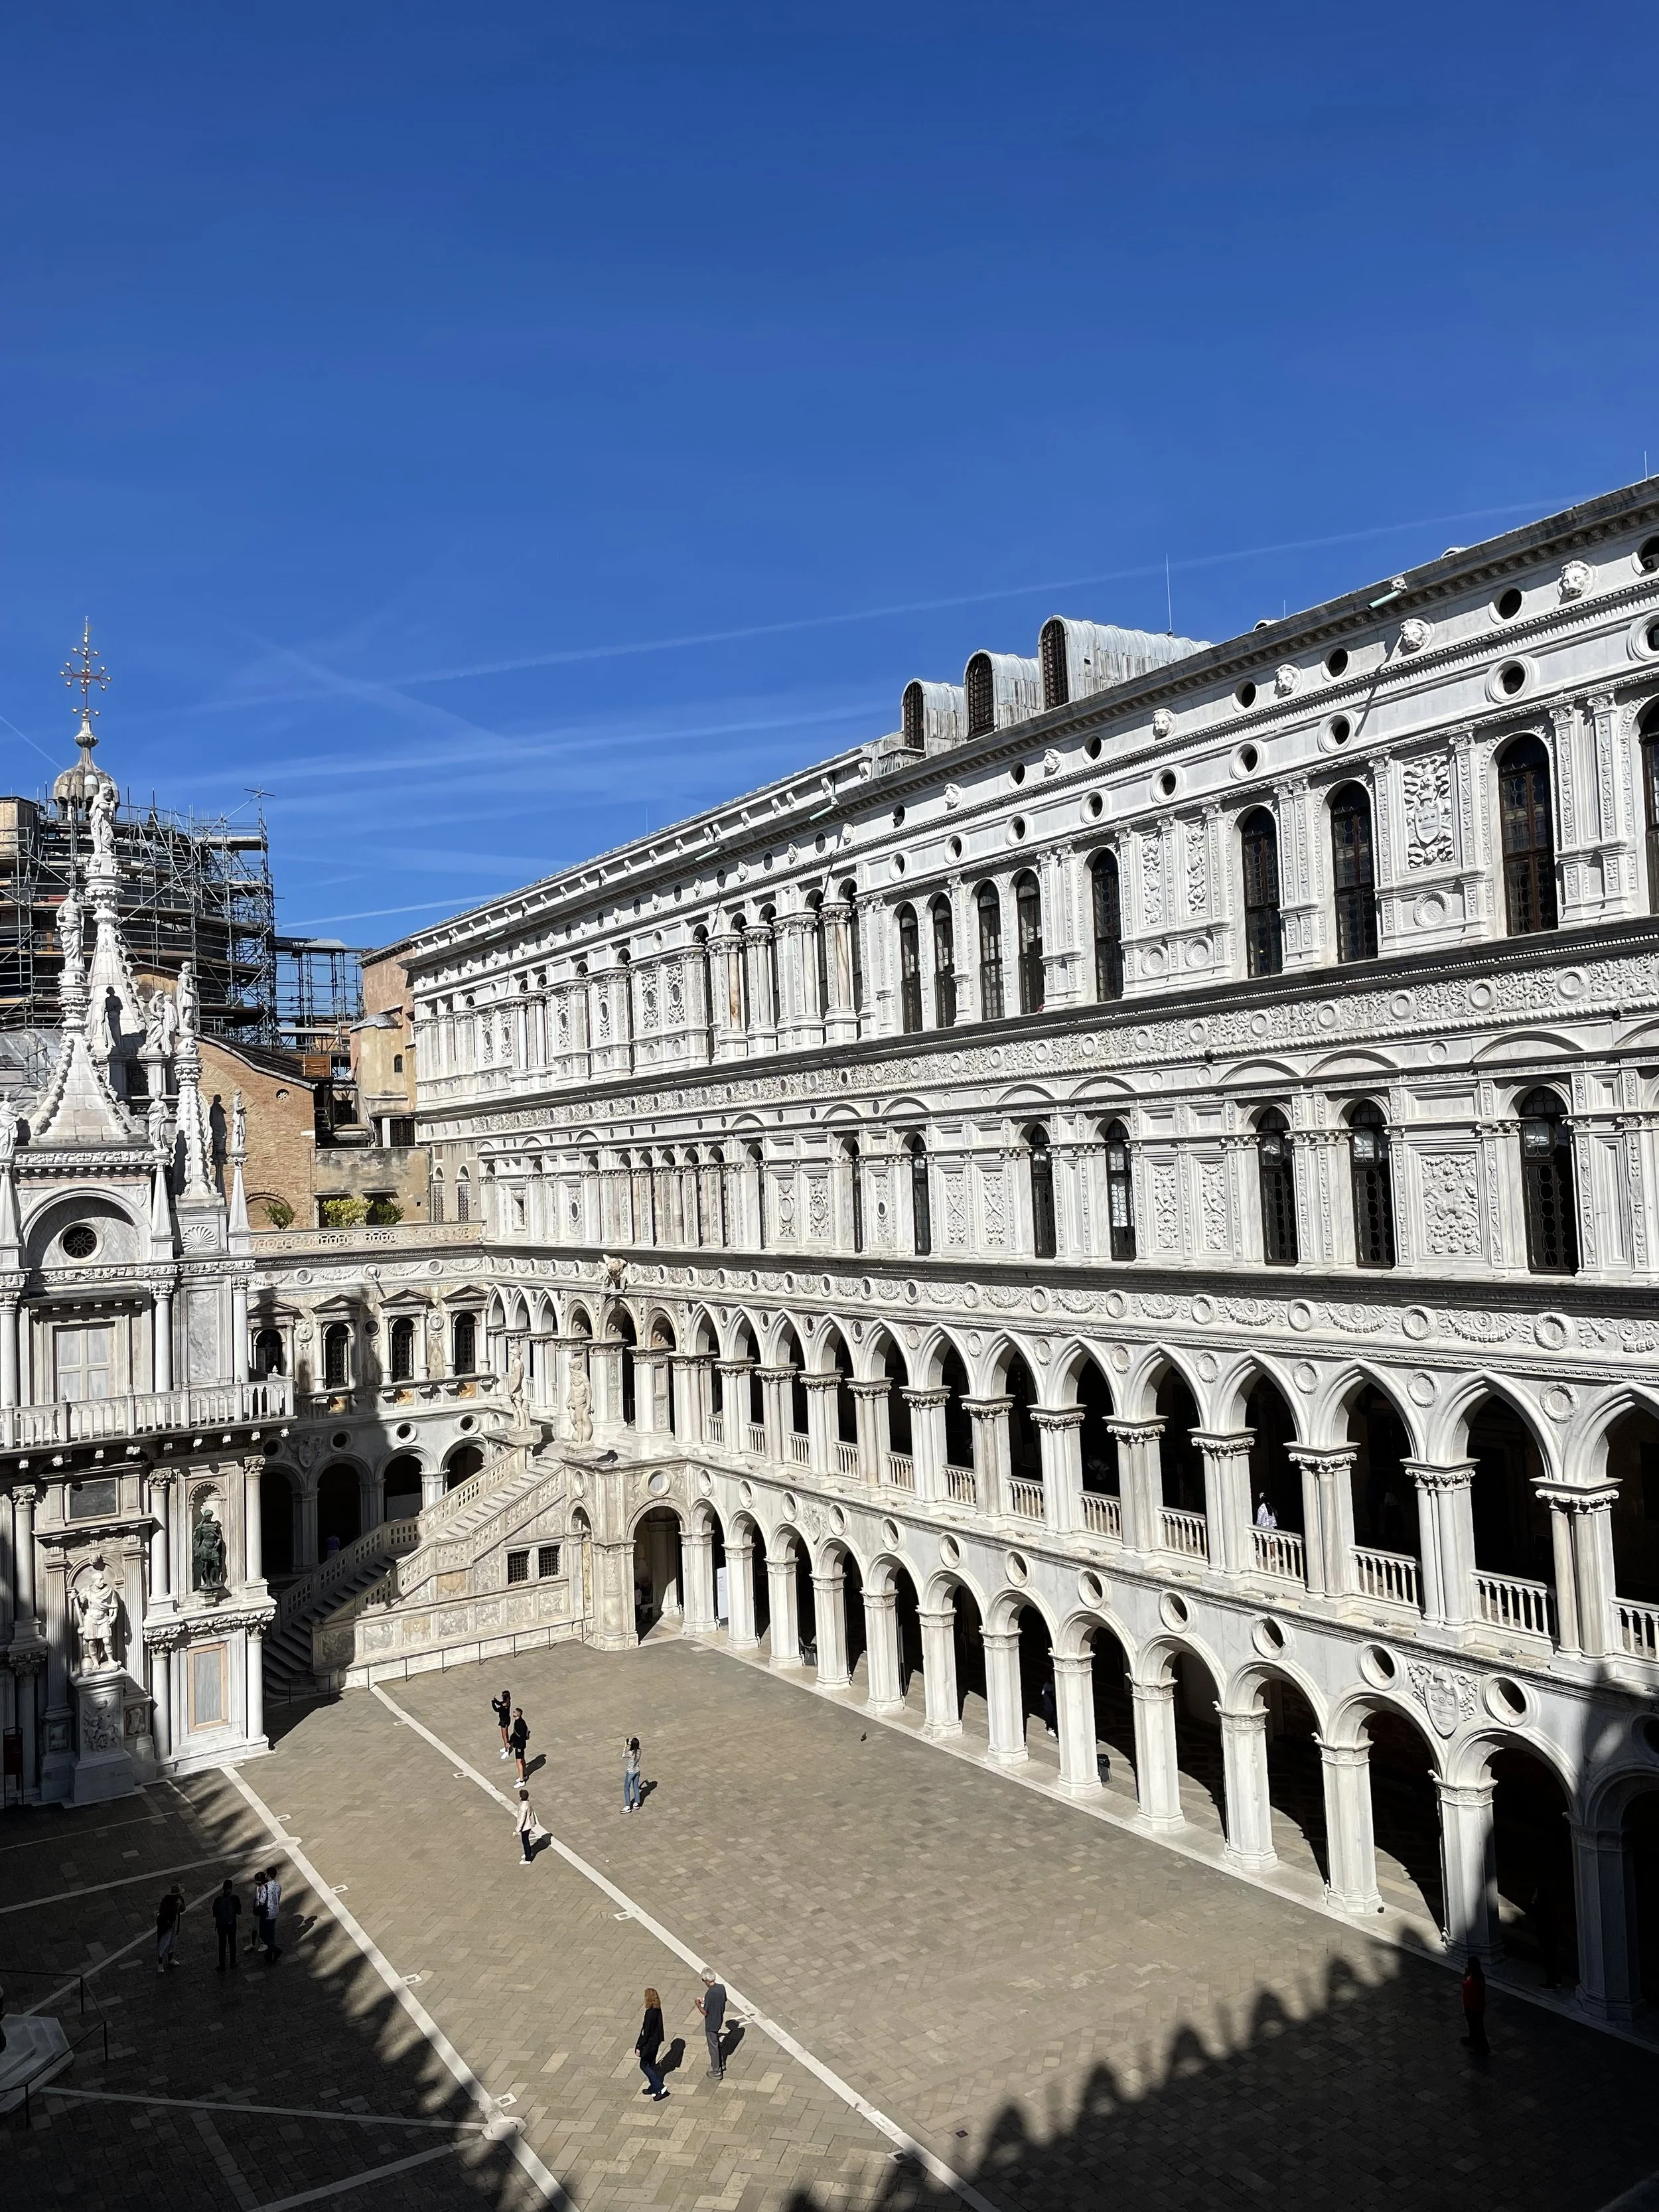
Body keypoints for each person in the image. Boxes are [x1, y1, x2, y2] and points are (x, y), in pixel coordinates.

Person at [635, 1987, 668, 2101]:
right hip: (656, 2041)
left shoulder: (649, 2013)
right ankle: (653, 2087)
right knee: (652, 2065)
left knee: (644, 2065)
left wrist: (639, 2046)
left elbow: (646, 2032)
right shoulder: (657, 2009)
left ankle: (659, 2087)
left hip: (649, 2044)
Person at [696, 1969, 727, 2081]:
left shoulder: (710, 1993)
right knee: (716, 2044)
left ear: (706, 1980)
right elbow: (723, 2000)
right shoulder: (721, 1988)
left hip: (711, 2023)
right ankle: (721, 2063)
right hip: (719, 2019)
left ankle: (717, 2071)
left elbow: (705, 2011)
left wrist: (698, 2004)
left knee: (713, 2047)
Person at [1461, 1954, 1488, 2054]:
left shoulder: (1473, 1982)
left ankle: (1482, 2047)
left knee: (1477, 2027)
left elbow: (1465, 1984)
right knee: (1474, 2026)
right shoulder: (1479, 1977)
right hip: (1475, 2006)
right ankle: (1472, 2040)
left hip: (1473, 2008)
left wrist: (1465, 1974)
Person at [212, 1880, 241, 1972]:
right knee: (232, 1943)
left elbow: (215, 1913)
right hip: (232, 1925)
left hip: (221, 1926)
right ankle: (233, 1962)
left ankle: (222, 1965)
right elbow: (239, 1912)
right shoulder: (235, 1899)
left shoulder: (218, 1900)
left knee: (222, 1945)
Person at [155, 1885, 185, 1974]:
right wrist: (175, 1908)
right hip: (166, 1925)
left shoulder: (180, 1899)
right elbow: (164, 1913)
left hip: (174, 1923)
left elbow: (183, 1909)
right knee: (164, 1943)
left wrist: (180, 1906)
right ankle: (160, 1963)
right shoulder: (166, 1901)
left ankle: (170, 1958)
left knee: (173, 1941)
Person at [262, 1868, 283, 1962]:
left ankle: (275, 1950)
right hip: (275, 1911)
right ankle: (271, 1954)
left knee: (263, 1934)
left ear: (269, 1876)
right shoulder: (278, 1886)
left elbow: (262, 1901)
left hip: (267, 1912)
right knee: (271, 1934)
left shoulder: (265, 1887)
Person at [516, 1785, 538, 1865]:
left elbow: (522, 1819)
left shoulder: (523, 1806)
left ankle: (528, 1858)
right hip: (529, 1825)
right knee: (526, 1841)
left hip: (525, 1826)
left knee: (525, 1842)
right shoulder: (528, 1803)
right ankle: (528, 1853)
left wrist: (518, 1829)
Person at [249, 1871, 268, 1954]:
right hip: (257, 1911)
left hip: (262, 1912)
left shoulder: (265, 1889)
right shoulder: (258, 1887)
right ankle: (253, 1943)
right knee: (254, 1928)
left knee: (261, 1929)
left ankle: (264, 1943)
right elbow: (256, 1899)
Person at [509, 1706, 530, 1783]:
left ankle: (521, 1780)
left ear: (518, 1714)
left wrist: (514, 1743)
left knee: (519, 1761)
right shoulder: (520, 1722)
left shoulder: (520, 1723)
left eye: (514, 1712)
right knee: (522, 1759)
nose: (513, 1713)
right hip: (521, 1745)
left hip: (519, 1745)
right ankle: (524, 1775)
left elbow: (518, 1735)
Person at [492, 1686, 513, 1761]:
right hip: (507, 1719)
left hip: (504, 1721)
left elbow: (496, 1709)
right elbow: (499, 1703)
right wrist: (495, 1700)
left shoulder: (504, 1705)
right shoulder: (508, 1702)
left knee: (504, 1736)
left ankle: (506, 1751)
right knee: (506, 1735)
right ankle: (506, 1747)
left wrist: (492, 1702)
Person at [623, 1735, 642, 1813]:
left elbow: (623, 1755)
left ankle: (628, 1806)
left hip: (630, 1772)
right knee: (636, 1786)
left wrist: (625, 1747)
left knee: (626, 1788)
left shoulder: (630, 1753)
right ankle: (637, 1803)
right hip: (637, 1770)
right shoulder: (639, 1751)